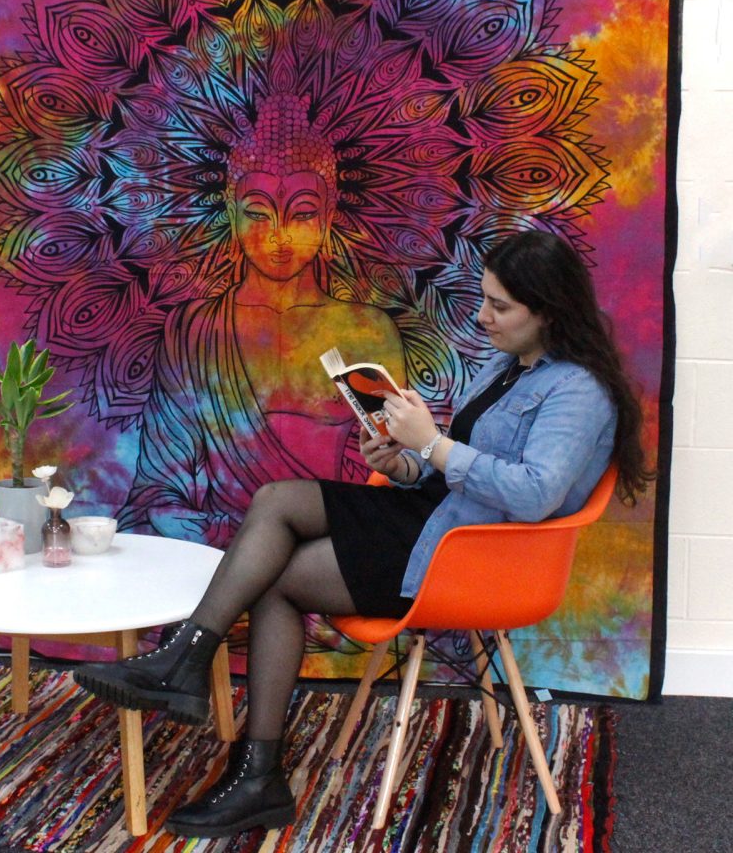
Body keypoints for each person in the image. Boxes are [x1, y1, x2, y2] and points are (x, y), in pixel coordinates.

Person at [75, 228, 652, 838]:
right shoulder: (507, 365)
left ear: (549, 311)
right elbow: (453, 468)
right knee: (276, 500)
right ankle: (191, 665)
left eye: (499, 306)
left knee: (277, 582)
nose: (482, 316)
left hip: (466, 555)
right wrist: (401, 460)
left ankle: (247, 760)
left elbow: (535, 495)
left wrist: (432, 443)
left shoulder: (578, 391)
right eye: (484, 299)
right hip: (433, 513)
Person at [117, 91, 404, 546]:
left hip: (323, 538)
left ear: (328, 215)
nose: (279, 237)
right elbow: (160, 487)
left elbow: (391, 470)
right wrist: (226, 533)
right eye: (257, 213)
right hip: (222, 540)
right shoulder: (194, 330)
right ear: (232, 213)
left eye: (302, 214)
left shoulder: (366, 331)